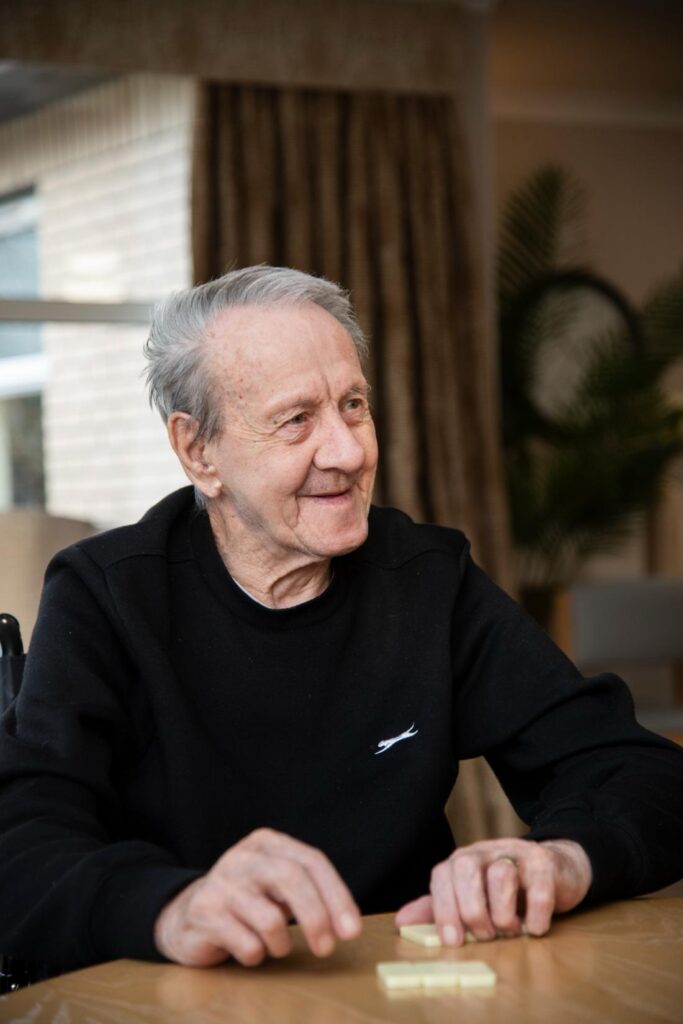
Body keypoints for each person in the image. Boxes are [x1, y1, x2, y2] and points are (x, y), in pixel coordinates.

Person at [0, 266, 681, 975]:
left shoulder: (426, 578)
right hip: (179, 995)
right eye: (296, 420)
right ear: (199, 452)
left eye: (353, 405)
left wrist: (560, 859)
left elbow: (641, 774)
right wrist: (170, 908)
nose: (350, 452)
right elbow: (21, 846)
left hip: (400, 988)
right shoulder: (108, 594)